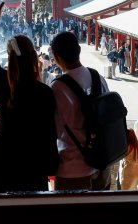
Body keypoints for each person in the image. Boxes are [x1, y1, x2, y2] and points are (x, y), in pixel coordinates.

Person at [0, 0, 59, 193]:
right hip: (32, 159)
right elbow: (50, 132)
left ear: (10, 57)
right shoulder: (45, 92)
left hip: (2, 155)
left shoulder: (2, 82)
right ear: (34, 57)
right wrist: (51, 166)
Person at [50, 31, 110, 191]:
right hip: (101, 162)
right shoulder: (98, 77)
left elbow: (53, 130)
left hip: (72, 169)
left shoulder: (57, 87)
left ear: (56, 56)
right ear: (79, 50)